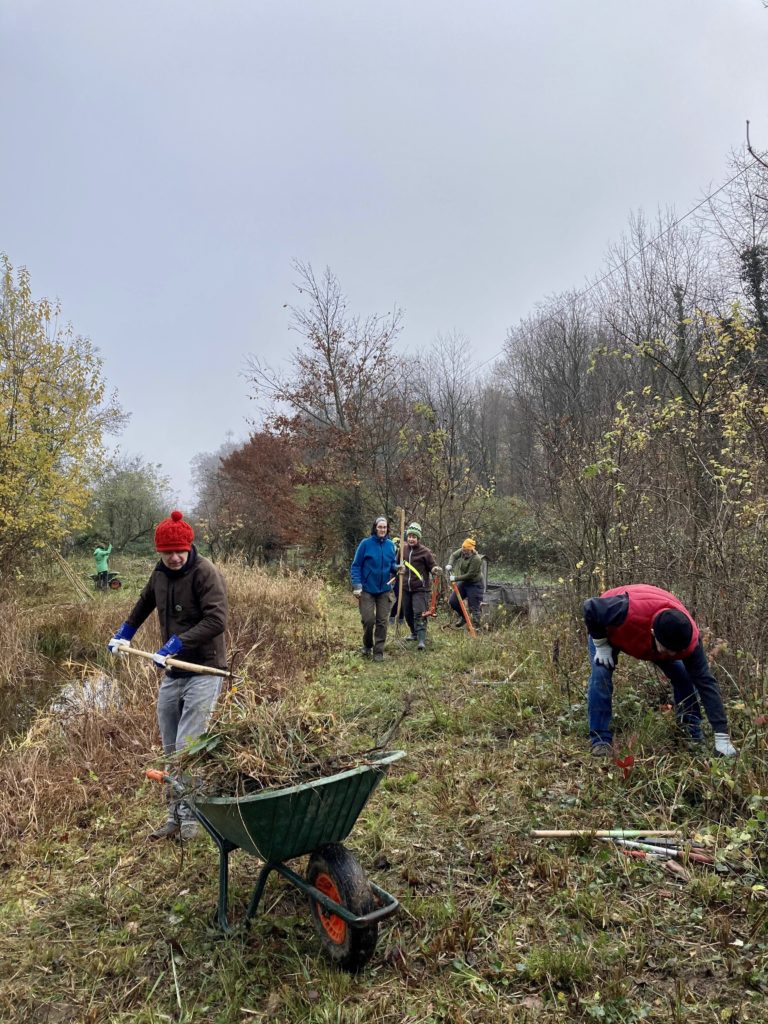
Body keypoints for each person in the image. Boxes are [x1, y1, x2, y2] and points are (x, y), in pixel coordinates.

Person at [107, 510, 228, 840]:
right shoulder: (159, 573)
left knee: (189, 745)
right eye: (167, 552)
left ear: (189, 547)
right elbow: (144, 602)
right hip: (173, 670)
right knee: (171, 745)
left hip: (204, 668)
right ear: (159, 552)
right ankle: (174, 814)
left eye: (180, 551)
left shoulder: (205, 573)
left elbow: (217, 621)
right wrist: (125, 633)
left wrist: (175, 643)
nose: (174, 558)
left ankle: (192, 818)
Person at [583, 583, 737, 759]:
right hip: (609, 630)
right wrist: (601, 644)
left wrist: (722, 735)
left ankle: (690, 733)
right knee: (601, 674)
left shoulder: (688, 639)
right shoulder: (623, 609)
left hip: (652, 640)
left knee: (684, 677)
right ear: (653, 632)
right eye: (669, 649)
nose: (673, 655)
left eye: (677, 652)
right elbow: (590, 607)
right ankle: (600, 740)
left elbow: (706, 683)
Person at [350, 516, 399, 662]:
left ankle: (378, 651)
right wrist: (357, 585)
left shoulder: (391, 546)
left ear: (387, 529)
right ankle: (367, 645)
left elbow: (391, 566)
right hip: (366, 589)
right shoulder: (365, 544)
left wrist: (397, 568)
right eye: (380, 527)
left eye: (384, 527)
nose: (382, 529)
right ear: (375, 528)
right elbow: (356, 565)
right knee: (368, 620)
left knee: (382, 621)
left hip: (384, 589)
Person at [401, 523, 437, 651]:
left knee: (419, 613)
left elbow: (432, 566)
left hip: (420, 589)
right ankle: (414, 633)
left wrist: (435, 569)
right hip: (405, 588)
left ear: (418, 538)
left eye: (414, 537)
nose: (411, 539)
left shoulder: (425, 552)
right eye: (409, 536)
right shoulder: (403, 549)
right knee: (408, 613)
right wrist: (397, 568)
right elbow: (396, 563)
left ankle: (422, 639)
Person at [446, 538, 484, 628]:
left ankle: (476, 628)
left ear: (470, 550)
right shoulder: (463, 550)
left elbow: (470, 575)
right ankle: (464, 617)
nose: (463, 551)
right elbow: (453, 556)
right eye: (463, 549)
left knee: (473, 607)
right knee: (453, 601)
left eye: (465, 550)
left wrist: (455, 578)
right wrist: (450, 564)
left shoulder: (476, 559)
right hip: (464, 583)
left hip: (475, 584)